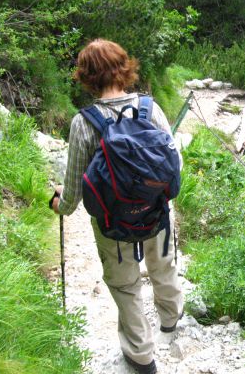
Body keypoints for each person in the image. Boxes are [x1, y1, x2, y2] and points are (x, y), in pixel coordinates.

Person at [52, 39, 183, 374]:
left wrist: (59, 205)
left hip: (113, 222)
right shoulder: (149, 109)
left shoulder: (84, 123)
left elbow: (74, 190)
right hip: (155, 212)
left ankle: (141, 357)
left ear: (86, 76)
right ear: (125, 67)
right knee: (162, 267)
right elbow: (174, 163)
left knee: (126, 285)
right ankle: (170, 322)